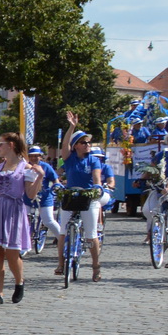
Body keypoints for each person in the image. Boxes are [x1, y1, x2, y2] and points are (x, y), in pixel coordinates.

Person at [0, 132, 39, 305]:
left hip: (13, 211)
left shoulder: (25, 167)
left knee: (12, 253)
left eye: (1, 144)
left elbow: (30, 194)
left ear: (11, 145)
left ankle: (19, 282)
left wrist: (39, 177)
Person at [53, 116, 106, 282]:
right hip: (70, 195)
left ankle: (95, 267)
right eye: (83, 142)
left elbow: (96, 178)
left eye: (89, 143)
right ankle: (61, 264)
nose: (87, 145)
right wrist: (71, 127)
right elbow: (64, 145)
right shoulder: (69, 159)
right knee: (63, 231)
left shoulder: (94, 161)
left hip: (88, 197)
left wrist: (97, 187)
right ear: (76, 146)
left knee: (91, 234)